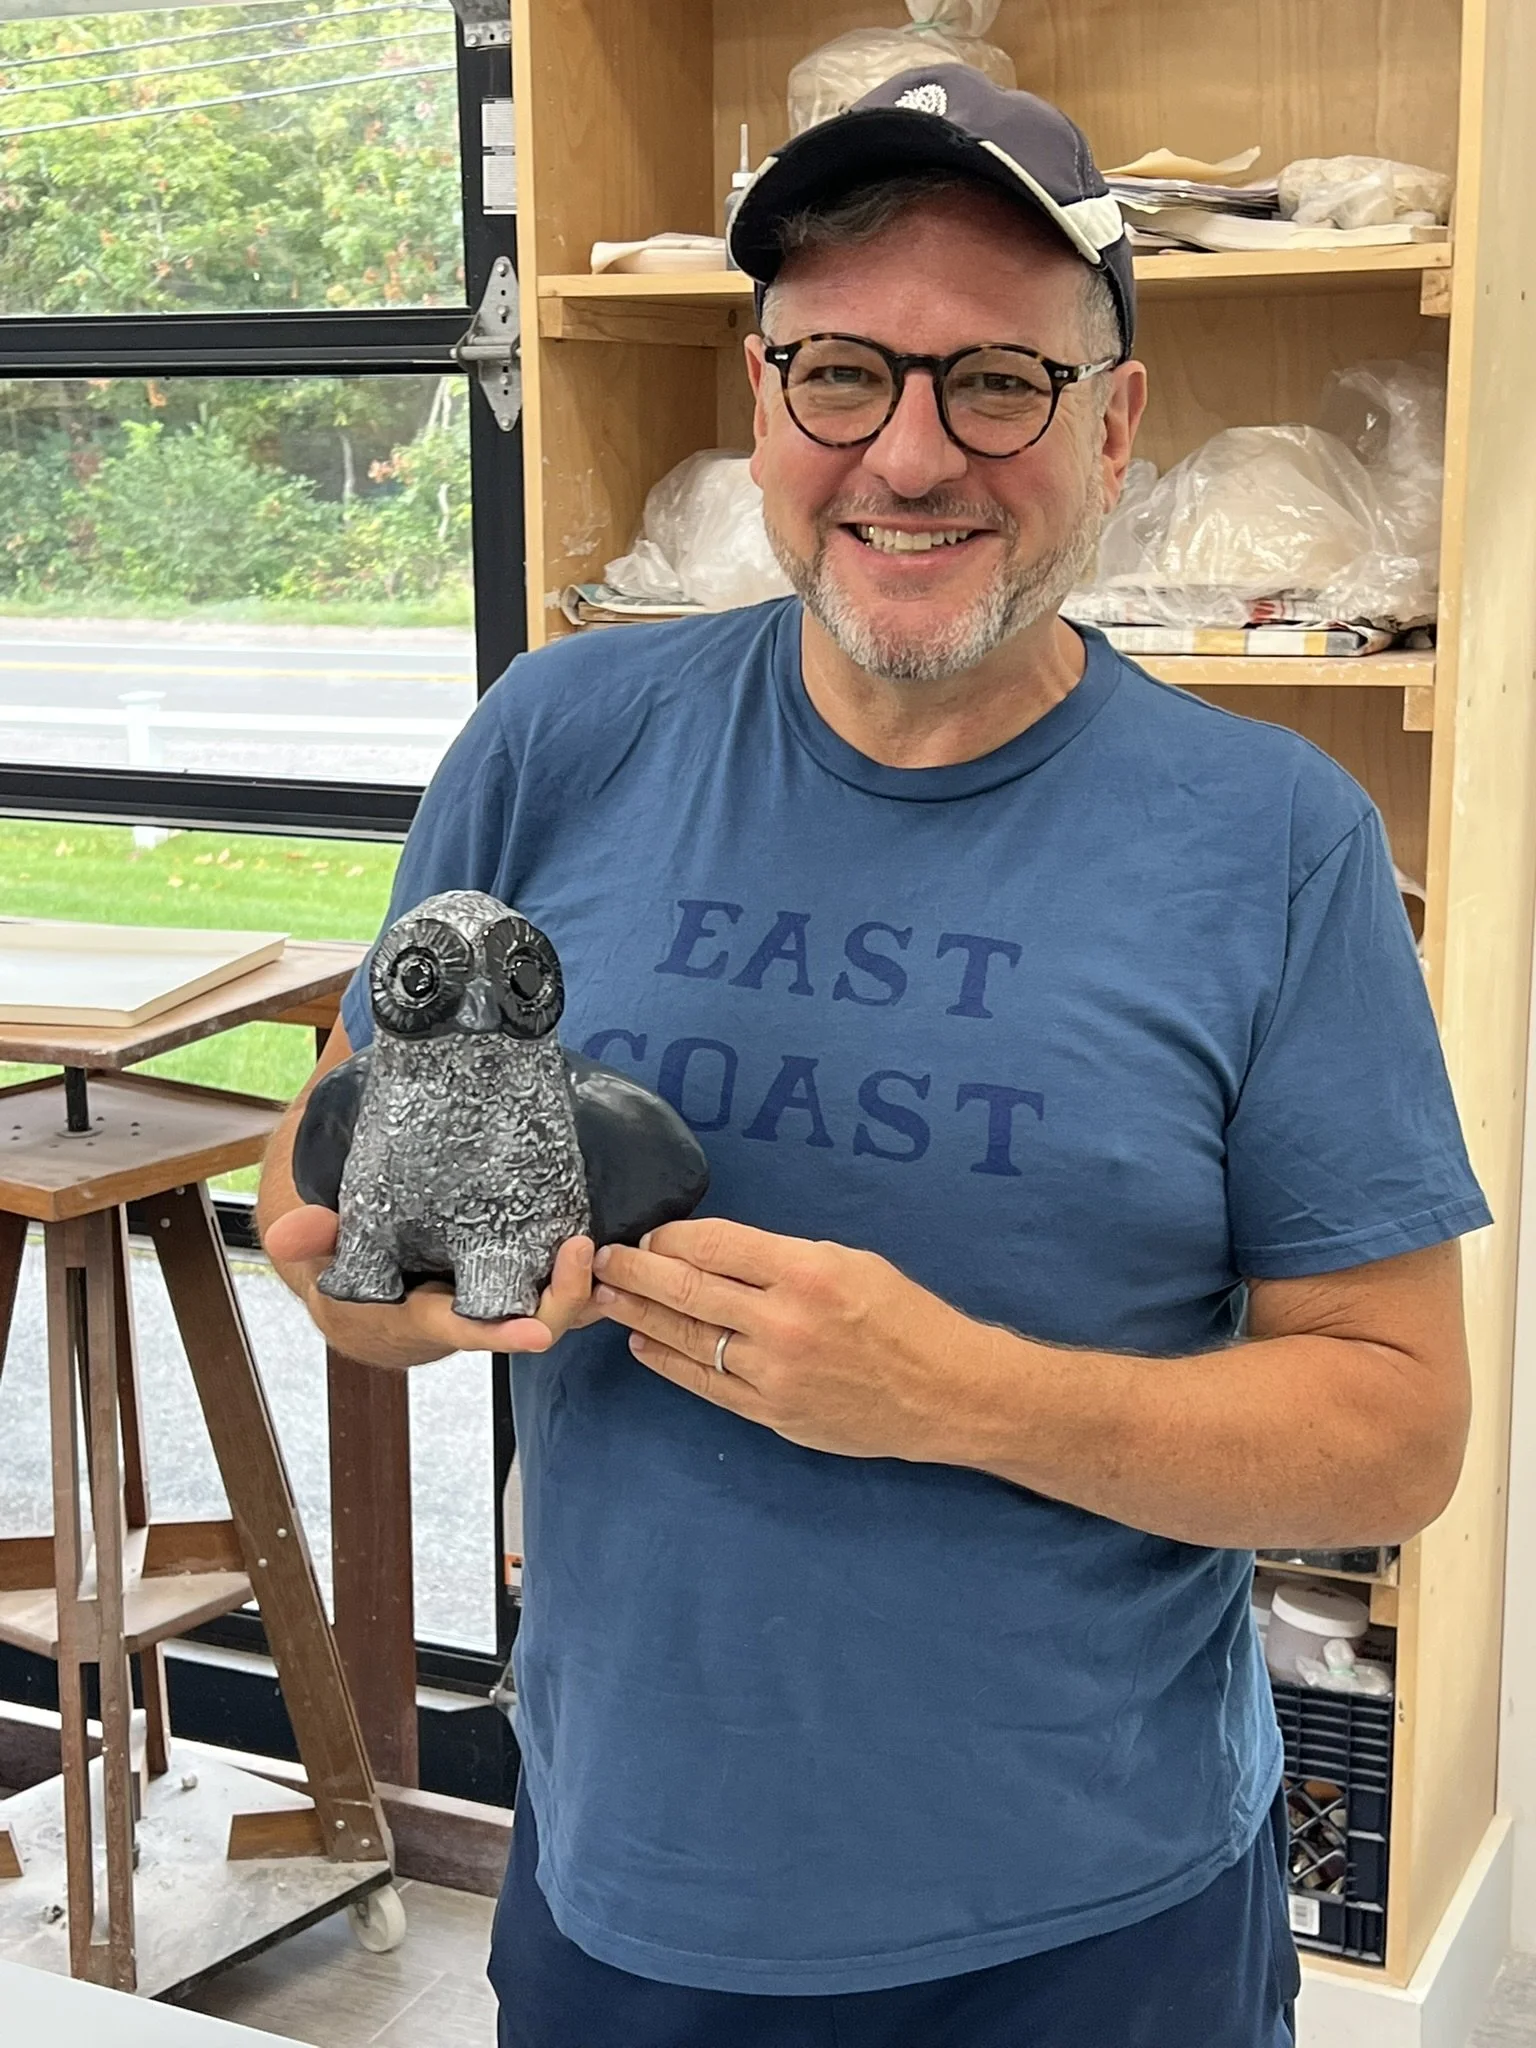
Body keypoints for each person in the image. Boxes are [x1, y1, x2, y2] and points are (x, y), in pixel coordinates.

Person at [258, 65, 1488, 2048]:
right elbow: (328, 1228)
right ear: (762, 404)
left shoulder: (1269, 839)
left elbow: (1395, 1428)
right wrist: (429, 1295)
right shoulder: (555, 744)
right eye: (843, 373)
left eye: (996, 380)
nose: (911, 455)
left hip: (1099, 1930)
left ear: (1114, 424)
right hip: (633, 1893)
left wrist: (961, 1394)